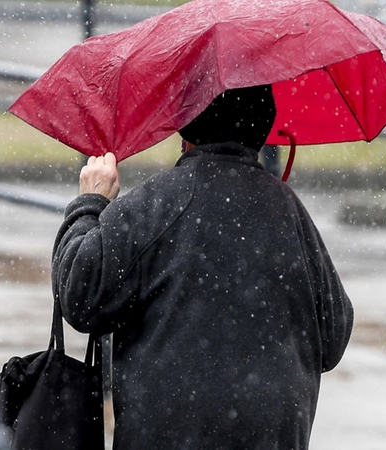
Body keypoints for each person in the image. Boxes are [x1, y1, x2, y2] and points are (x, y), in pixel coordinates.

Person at [51, 84, 354, 449]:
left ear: (185, 127)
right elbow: (333, 336)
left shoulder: (156, 204)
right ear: (263, 128)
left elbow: (80, 294)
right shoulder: (288, 211)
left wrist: (90, 203)